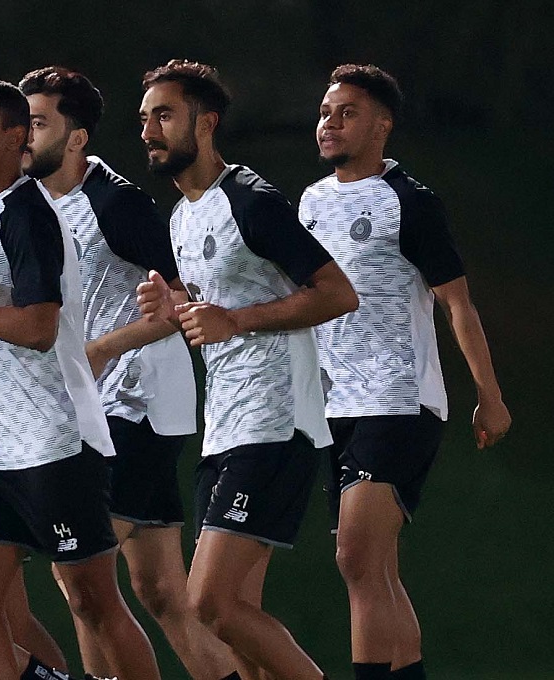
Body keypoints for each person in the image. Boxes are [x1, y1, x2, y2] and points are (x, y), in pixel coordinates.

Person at [0, 78, 160, 680]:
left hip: (57, 440)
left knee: (93, 603)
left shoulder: (27, 215)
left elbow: (42, 328)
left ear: (15, 137)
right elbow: (12, 321)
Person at [135, 59, 358, 680]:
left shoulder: (252, 200)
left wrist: (239, 321)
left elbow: (337, 294)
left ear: (206, 124)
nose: (150, 129)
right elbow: (212, 312)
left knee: (207, 602)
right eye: (145, 117)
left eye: (165, 115)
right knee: (237, 626)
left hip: (276, 421)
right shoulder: (182, 217)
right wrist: (175, 309)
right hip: (225, 429)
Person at [18, 65, 240, 680]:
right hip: (98, 412)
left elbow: (182, 299)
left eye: (39, 124)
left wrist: (103, 349)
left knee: (81, 574)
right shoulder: (33, 207)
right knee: (162, 593)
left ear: (78, 135)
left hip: (137, 406)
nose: (26, 137)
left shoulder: (115, 201)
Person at [299, 63, 512, 680]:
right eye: (325, 113)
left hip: (398, 399)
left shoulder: (410, 201)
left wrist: (488, 395)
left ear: (382, 125)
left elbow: (457, 302)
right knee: (375, 569)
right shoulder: (310, 202)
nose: (330, 123)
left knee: (356, 556)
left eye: (348, 113)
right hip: (332, 405)